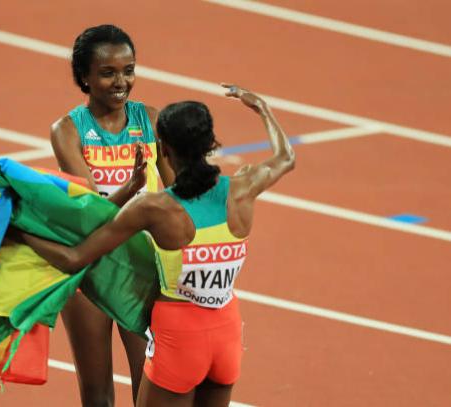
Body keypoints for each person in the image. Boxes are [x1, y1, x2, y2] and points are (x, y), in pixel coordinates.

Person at [18, 84, 295, 406]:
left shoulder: (154, 208)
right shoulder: (243, 188)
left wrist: (18, 232)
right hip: (227, 335)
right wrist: (260, 106)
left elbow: (72, 258)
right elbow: (286, 157)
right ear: (211, 144)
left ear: (162, 149)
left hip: (178, 338)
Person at [50, 24, 174, 406]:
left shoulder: (151, 121)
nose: (121, 82)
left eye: (128, 70)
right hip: (90, 260)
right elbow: (91, 214)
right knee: (98, 394)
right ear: (83, 77)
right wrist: (132, 189)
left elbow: (175, 194)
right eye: (107, 73)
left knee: (148, 387)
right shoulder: (68, 131)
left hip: (140, 264)